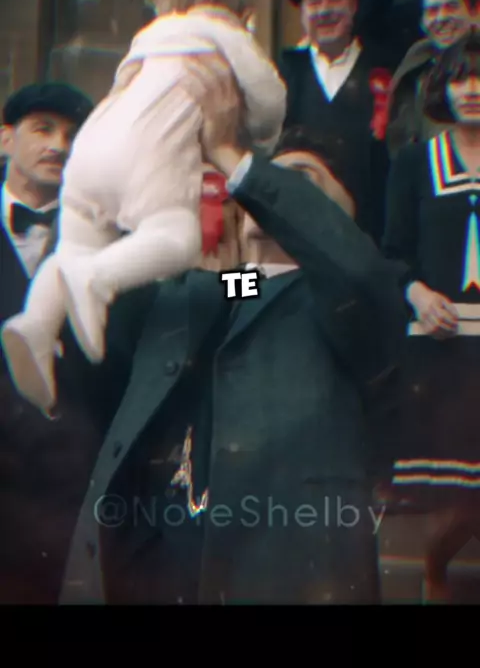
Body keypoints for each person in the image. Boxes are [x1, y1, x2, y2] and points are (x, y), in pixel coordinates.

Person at [59, 56, 406, 606]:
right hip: (157, 564)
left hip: (279, 569)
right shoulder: (225, 288)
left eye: (300, 182)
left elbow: (357, 273)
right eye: (261, 185)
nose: (265, 196)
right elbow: (109, 309)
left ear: (344, 215)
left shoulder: (351, 292)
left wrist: (234, 156)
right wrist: (126, 147)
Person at [1, 0, 286, 416]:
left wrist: (235, 276)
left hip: (206, 391)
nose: (57, 146)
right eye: (42, 129)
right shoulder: (156, 174)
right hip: (113, 395)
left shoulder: (258, 219)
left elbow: (252, 290)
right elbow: (170, 296)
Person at [0, 82, 124, 603]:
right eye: (43, 129)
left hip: (68, 484)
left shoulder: (116, 234)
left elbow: (206, 281)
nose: (59, 145)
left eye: (73, 135)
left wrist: (258, 278)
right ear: (6, 138)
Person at [383, 30, 480, 603]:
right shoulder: (415, 162)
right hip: (441, 345)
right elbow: (392, 253)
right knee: (454, 488)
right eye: (460, 78)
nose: (471, 89)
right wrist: (417, 294)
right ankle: (434, 573)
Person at [280, 0, 393, 245]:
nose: (324, 11)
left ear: (353, 6)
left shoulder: (385, 67)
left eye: (334, 0)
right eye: (315, 3)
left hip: (372, 230)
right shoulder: (284, 70)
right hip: (302, 231)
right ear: (302, 13)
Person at [386, 0, 474, 156]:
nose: (441, 18)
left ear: (472, 12)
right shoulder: (416, 59)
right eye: (433, 11)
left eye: (451, 7)